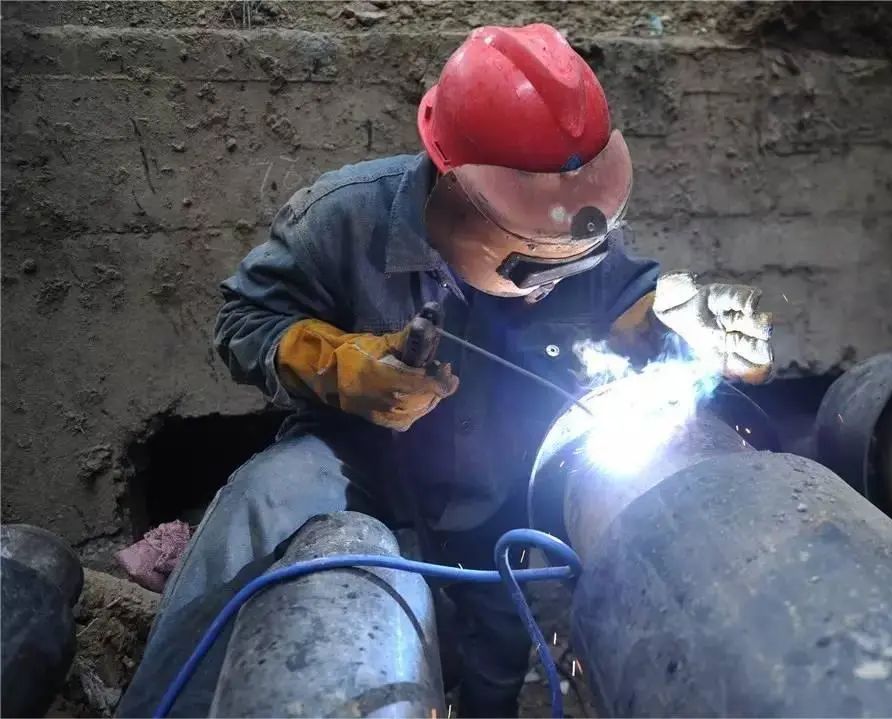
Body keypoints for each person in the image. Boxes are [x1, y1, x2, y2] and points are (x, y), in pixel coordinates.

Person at [119, 23, 771, 718]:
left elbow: (631, 313)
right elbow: (244, 321)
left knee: (499, 644)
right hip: (359, 466)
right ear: (455, 193)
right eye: (531, 263)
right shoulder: (344, 218)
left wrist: (690, 332)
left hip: (500, 494)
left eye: (571, 263)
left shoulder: (573, 235)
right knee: (269, 493)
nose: (553, 282)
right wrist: (339, 365)